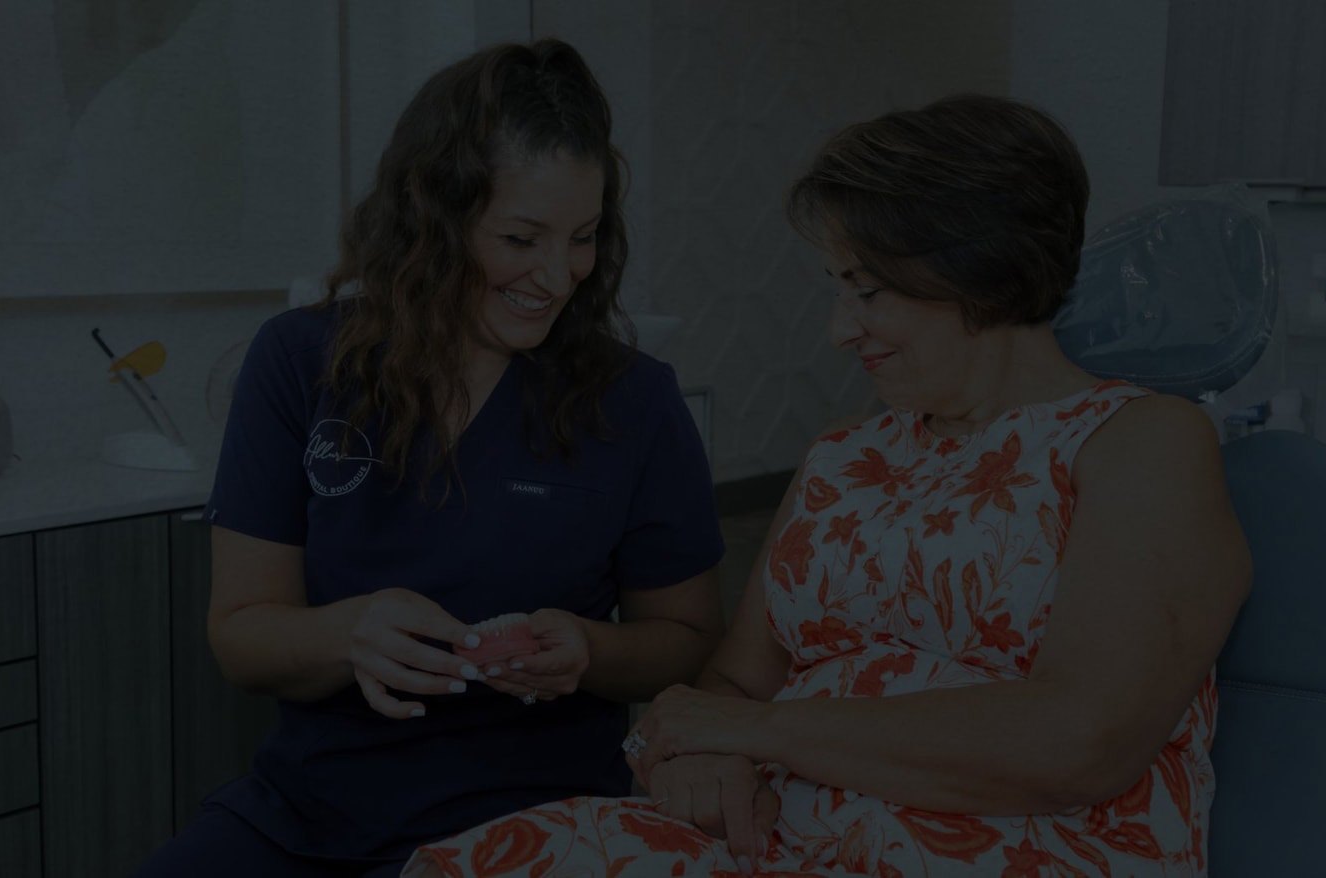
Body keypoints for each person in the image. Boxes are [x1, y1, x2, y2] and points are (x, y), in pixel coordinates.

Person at [403, 94, 1252, 877]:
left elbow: (1082, 742)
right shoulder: (848, 457)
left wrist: (760, 732)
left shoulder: (1141, 443)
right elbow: (731, 689)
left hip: (1012, 848)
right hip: (782, 838)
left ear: (982, 273)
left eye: (868, 292)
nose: (840, 330)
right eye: (837, 289)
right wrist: (705, 751)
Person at [133, 39, 725, 877]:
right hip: (304, 815)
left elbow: (688, 638)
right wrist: (350, 634)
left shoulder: (634, 401)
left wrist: (590, 649)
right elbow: (241, 637)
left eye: (583, 238)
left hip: (534, 820)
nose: (557, 277)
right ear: (434, 218)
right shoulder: (302, 363)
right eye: (521, 238)